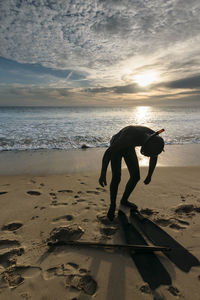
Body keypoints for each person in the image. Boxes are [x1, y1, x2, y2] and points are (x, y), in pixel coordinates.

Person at [99, 126, 165, 221]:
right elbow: (109, 152)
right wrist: (103, 174)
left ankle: (124, 200)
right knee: (117, 177)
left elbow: (154, 155)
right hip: (117, 143)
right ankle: (112, 205)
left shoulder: (154, 139)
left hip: (129, 147)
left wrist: (150, 175)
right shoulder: (129, 137)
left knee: (135, 176)